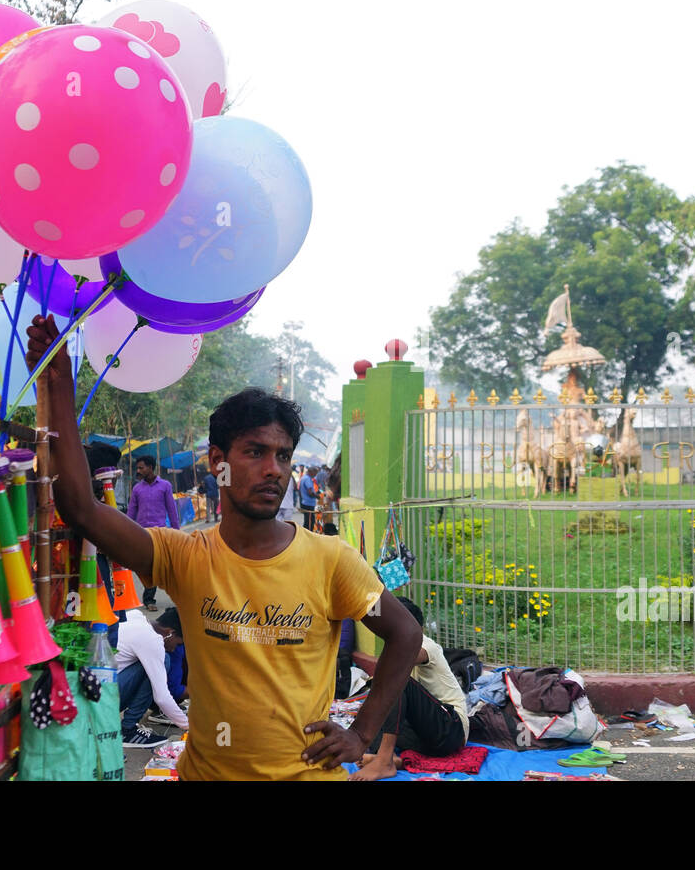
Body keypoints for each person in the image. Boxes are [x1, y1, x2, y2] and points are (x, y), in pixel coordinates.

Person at [25, 314, 424, 781]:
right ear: (218, 462)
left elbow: (406, 635)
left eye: (283, 455)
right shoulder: (184, 557)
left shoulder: (332, 560)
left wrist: (360, 732)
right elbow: (81, 508)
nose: (274, 469)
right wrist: (58, 392)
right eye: (255, 452)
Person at [349, 596, 468, 781]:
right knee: (379, 701)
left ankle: (384, 760)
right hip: (421, 736)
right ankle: (391, 757)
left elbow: (400, 663)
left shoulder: (427, 646)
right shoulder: (395, 649)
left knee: (397, 681)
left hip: (450, 731)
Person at [116, 606, 189, 747]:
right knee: (164, 660)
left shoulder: (136, 616)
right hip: (102, 700)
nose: (174, 649)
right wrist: (189, 726)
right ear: (170, 633)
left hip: (95, 694)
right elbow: (161, 697)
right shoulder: (152, 640)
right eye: (178, 643)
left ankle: (132, 725)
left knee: (153, 663)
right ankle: (128, 730)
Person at [127, 456, 180, 610]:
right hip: (142, 534)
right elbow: (131, 512)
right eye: (138, 468)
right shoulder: (137, 489)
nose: (138, 470)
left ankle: (179, 596)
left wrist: (177, 533)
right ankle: (149, 600)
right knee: (148, 566)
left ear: (150, 467)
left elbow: (172, 509)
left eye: (141, 467)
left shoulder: (165, 486)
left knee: (163, 565)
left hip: (161, 534)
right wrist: (128, 533)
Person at [299, 465, 319, 532]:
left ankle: (305, 534)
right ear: (311, 472)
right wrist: (317, 496)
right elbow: (310, 492)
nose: (315, 475)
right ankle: (308, 535)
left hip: (305, 502)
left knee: (307, 521)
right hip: (308, 503)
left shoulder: (304, 478)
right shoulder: (307, 479)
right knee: (310, 522)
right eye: (315, 473)